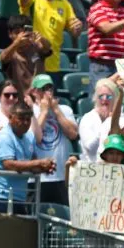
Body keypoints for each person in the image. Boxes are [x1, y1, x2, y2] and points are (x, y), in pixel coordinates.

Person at [18, 0, 83, 89]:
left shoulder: (64, 4)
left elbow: (74, 32)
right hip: (31, 63)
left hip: (53, 63)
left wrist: (78, 27)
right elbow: (23, 0)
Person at [0, 103, 55, 214]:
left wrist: (45, 168)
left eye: (28, 119)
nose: (25, 123)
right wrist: (39, 163)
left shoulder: (30, 136)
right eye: (21, 118)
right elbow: (9, 164)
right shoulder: (5, 136)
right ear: (10, 118)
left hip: (20, 197)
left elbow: (33, 165)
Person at [28, 74, 77, 207]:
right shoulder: (30, 111)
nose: (47, 92)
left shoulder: (65, 110)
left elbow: (73, 134)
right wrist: (44, 112)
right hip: (37, 178)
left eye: (50, 88)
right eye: (43, 89)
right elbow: (33, 139)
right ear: (34, 92)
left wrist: (56, 110)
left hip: (61, 176)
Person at [86, 0, 124, 96]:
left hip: (122, 66)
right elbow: (107, 28)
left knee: (121, 105)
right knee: (102, 101)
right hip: (102, 66)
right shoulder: (97, 9)